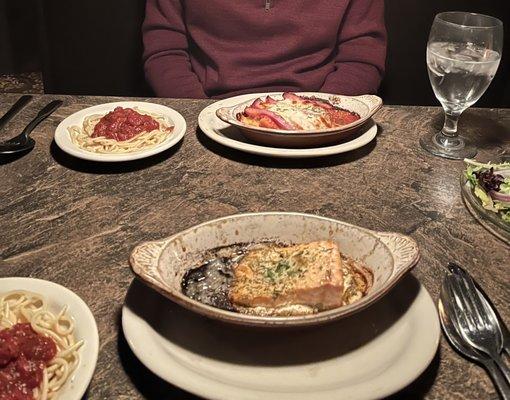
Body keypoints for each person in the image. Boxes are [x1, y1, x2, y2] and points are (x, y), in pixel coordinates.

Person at [142, 0, 386, 99]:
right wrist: (199, 116)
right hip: (207, 115)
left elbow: (362, 57)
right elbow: (164, 51)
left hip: (321, 116)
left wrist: (318, 118)